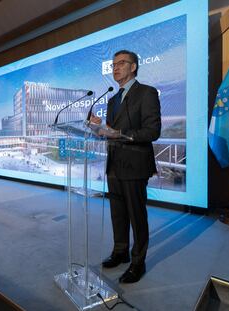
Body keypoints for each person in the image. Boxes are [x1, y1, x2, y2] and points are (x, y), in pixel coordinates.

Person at [91, 50, 161, 283]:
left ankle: (137, 262)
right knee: (118, 213)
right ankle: (120, 252)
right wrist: (98, 128)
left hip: (135, 163)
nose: (115, 68)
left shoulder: (147, 93)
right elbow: (111, 132)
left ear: (133, 67)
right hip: (114, 164)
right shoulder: (112, 100)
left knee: (136, 215)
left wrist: (119, 133)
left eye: (121, 64)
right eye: (113, 65)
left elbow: (152, 131)